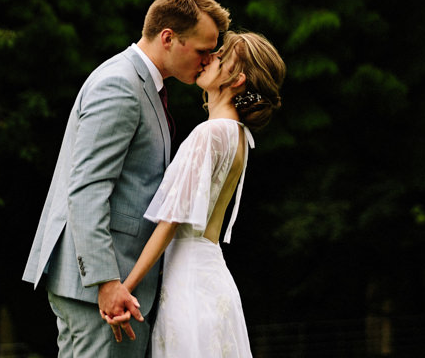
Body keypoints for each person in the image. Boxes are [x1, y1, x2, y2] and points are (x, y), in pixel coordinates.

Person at [22, 0, 231, 356]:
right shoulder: (119, 85)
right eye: (202, 50)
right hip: (101, 290)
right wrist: (107, 282)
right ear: (168, 37)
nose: (207, 59)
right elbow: (87, 190)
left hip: (116, 288)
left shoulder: (146, 86)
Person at [101, 29, 286, 357]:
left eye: (222, 56)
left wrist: (125, 288)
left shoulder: (211, 133)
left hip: (189, 284)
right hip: (213, 278)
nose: (211, 57)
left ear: (237, 78)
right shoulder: (239, 137)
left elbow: (171, 220)